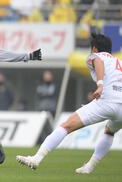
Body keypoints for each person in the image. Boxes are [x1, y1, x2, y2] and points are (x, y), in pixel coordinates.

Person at [17, 33, 122, 174]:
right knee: (109, 131)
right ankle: (89, 167)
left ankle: (36, 158)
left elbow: (98, 61)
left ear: (94, 49)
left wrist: (100, 84)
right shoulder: (118, 62)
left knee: (66, 126)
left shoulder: (96, 56)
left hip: (106, 102)